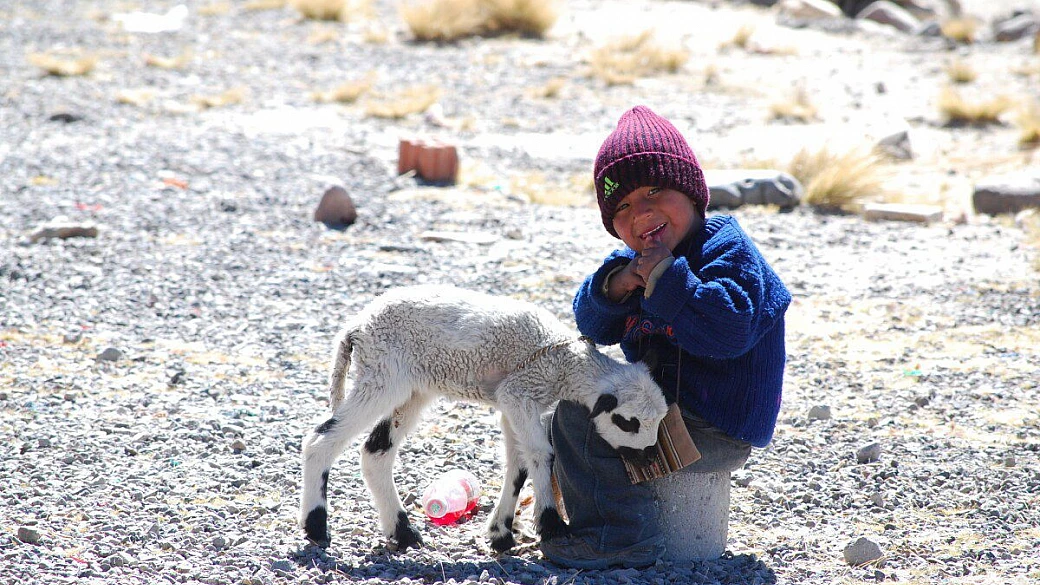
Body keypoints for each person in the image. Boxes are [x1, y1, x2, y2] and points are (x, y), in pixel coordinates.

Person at [540, 105, 792, 569]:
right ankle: (581, 518)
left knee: (581, 418)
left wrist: (670, 280)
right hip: (665, 411)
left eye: (655, 190)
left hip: (716, 429)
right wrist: (612, 287)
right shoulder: (634, 261)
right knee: (564, 403)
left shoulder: (728, 251)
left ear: (694, 193)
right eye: (623, 207)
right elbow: (592, 325)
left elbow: (729, 331)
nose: (642, 211)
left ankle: (618, 537)